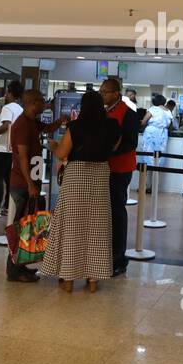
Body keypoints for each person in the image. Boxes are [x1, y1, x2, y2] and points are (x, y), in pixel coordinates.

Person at [41, 89, 119, 292]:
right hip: (100, 175)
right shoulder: (112, 126)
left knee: (72, 226)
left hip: (76, 176)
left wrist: (55, 146)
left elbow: (62, 153)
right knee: (97, 227)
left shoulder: (75, 126)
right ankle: (93, 279)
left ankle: (68, 278)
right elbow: (112, 148)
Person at [4, 88, 47, 283]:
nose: (45, 104)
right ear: (33, 103)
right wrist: (30, 184)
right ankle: (14, 269)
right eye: (42, 101)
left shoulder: (32, 122)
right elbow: (22, 157)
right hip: (22, 183)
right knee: (21, 226)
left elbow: (46, 129)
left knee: (27, 227)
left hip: (31, 181)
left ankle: (21, 265)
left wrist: (61, 122)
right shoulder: (22, 124)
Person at [99, 77, 139, 276]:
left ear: (116, 93)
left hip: (120, 169)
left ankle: (118, 257)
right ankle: (107, 253)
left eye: (105, 92)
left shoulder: (128, 113)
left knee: (116, 211)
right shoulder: (106, 111)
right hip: (105, 168)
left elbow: (131, 142)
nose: (102, 94)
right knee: (107, 211)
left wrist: (108, 152)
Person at [0, 81, 23, 217]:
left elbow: (5, 125)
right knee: (9, 180)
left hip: (3, 149)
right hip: (13, 149)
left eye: (7, 92)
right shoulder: (20, 109)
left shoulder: (7, 108)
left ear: (10, 93)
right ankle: (7, 207)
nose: (6, 94)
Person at [137, 94, 173, 193]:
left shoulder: (153, 109)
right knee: (157, 161)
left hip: (151, 134)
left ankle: (143, 186)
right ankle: (153, 187)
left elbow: (143, 122)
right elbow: (170, 126)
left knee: (146, 160)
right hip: (163, 136)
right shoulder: (168, 111)